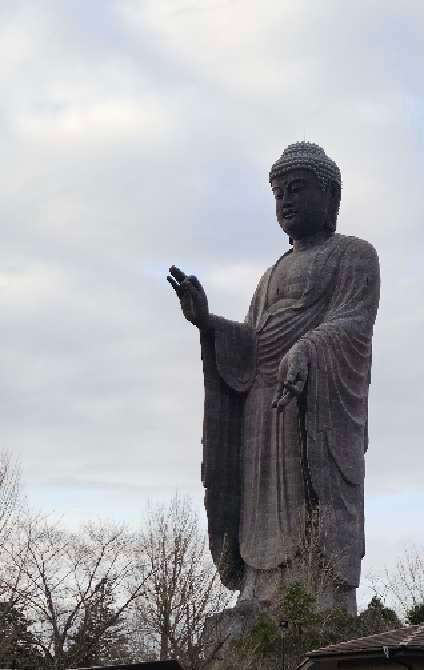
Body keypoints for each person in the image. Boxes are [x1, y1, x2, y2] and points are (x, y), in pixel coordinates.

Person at [167, 142, 380, 619]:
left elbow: (353, 321)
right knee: (259, 501)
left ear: (330, 197)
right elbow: (252, 339)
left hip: (312, 402)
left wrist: (307, 349)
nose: (285, 201)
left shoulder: (353, 255)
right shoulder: (270, 274)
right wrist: (208, 323)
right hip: (263, 402)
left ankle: (318, 598)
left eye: (297, 189)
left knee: (309, 495)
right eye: (278, 192)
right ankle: (260, 595)